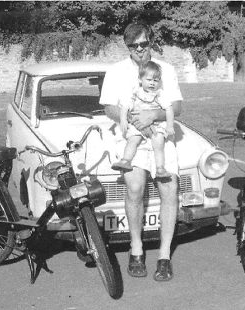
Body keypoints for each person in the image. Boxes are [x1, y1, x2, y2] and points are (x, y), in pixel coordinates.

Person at [99, 21, 183, 281]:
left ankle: (164, 255)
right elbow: (109, 108)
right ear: (127, 46)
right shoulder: (115, 71)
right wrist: (136, 121)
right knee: (134, 187)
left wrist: (152, 115)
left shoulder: (166, 70)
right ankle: (136, 249)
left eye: (144, 44)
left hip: (160, 136)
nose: (139, 49)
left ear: (151, 42)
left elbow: (176, 107)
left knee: (169, 188)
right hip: (130, 135)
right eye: (133, 45)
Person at [111, 60, 175, 179]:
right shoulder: (135, 92)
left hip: (156, 125)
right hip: (138, 124)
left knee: (158, 143)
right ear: (140, 79)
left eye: (155, 80)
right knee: (133, 139)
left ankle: (160, 168)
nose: (152, 83)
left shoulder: (159, 94)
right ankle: (126, 161)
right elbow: (125, 106)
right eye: (149, 80)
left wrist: (170, 126)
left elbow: (169, 109)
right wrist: (123, 120)